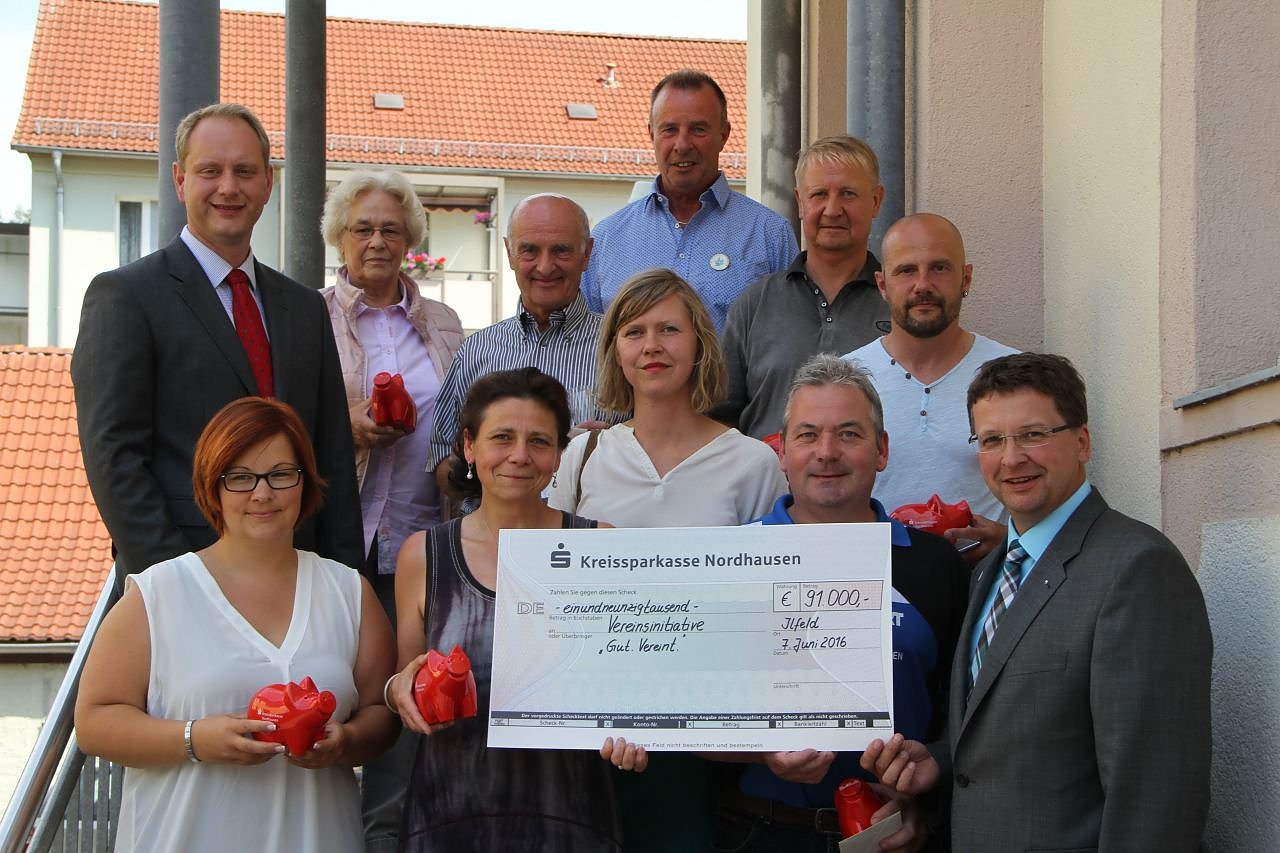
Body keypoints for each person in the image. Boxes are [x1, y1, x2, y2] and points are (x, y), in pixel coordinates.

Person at [861, 353, 1213, 851]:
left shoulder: (1138, 570)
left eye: (1033, 435)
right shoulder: (992, 569)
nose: (1011, 458)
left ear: (1082, 441)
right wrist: (940, 761)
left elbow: (1155, 793)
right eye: (992, 440)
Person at [74, 397, 398, 852]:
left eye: (281, 474)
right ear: (214, 487)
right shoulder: (158, 593)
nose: (262, 494)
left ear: (304, 482)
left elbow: (382, 714)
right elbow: (94, 721)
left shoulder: (348, 592)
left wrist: (345, 742)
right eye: (240, 477)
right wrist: (194, 739)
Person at [72, 102, 363, 590]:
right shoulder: (126, 296)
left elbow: (331, 456)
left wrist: (347, 584)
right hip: (184, 578)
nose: (229, 187)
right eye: (210, 171)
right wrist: (180, 585)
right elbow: (114, 459)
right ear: (180, 180)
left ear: (267, 183)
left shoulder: (305, 307)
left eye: (244, 171)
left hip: (300, 581)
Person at [549, 269, 786, 852]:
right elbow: (551, 587)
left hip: (705, 738)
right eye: (634, 332)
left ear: (700, 343)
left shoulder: (752, 463)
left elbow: (768, 605)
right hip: (590, 726)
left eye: (669, 329)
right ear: (615, 351)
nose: (651, 346)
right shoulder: (583, 456)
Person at [706, 354, 966, 853]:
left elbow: (967, 716)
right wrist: (762, 752)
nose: (827, 452)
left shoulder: (937, 566)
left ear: (881, 450)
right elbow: (687, 715)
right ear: (782, 452)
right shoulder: (729, 559)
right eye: (807, 435)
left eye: (848, 434)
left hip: (895, 833)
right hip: (759, 831)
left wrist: (925, 802)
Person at [386, 368, 623, 852]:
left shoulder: (600, 545)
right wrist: (398, 691)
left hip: (569, 815)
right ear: (469, 446)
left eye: (538, 441)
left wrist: (631, 730)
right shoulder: (424, 555)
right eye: (502, 437)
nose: (519, 455)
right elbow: (402, 679)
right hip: (449, 814)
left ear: (559, 455)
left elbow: (626, 680)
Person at [319, 169, 464, 852]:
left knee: (404, 715)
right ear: (339, 238)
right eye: (363, 229)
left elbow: (460, 418)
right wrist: (344, 424)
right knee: (330, 701)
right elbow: (283, 419)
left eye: (390, 229)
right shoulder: (311, 316)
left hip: (421, 546)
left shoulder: (445, 323)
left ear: (410, 240)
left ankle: (385, 840)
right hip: (335, 545)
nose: (377, 241)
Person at [845, 213, 1017, 565]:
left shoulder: (1014, 375)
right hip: (872, 583)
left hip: (985, 585)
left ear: (965, 278)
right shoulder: (844, 380)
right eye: (906, 270)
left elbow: (1049, 488)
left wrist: (1012, 541)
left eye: (939, 268)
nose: (922, 284)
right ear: (882, 284)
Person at [428, 193, 617, 499]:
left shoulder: (621, 348)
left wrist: (617, 449)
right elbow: (441, 458)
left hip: (588, 526)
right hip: (492, 527)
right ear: (509, 253)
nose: (545, 266)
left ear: (587, 254)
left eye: (561, 250)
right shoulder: (476, 350)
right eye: (529, 250)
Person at [582, 70, 798, 333]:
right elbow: (589, 344)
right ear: (651, 134)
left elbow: (789, 340)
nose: (682, 144)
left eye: (698, 129)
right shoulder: (606, 240)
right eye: (669, 130)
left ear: (724, 135)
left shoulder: (769, 235)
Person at [718, 136, 887, 439]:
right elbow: (718, 419)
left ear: (876, 201)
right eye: (819, 194)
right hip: (768, 471)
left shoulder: (897, 305)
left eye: (848, 194)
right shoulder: (755, 305)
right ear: (800, 202)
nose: (832, 210)